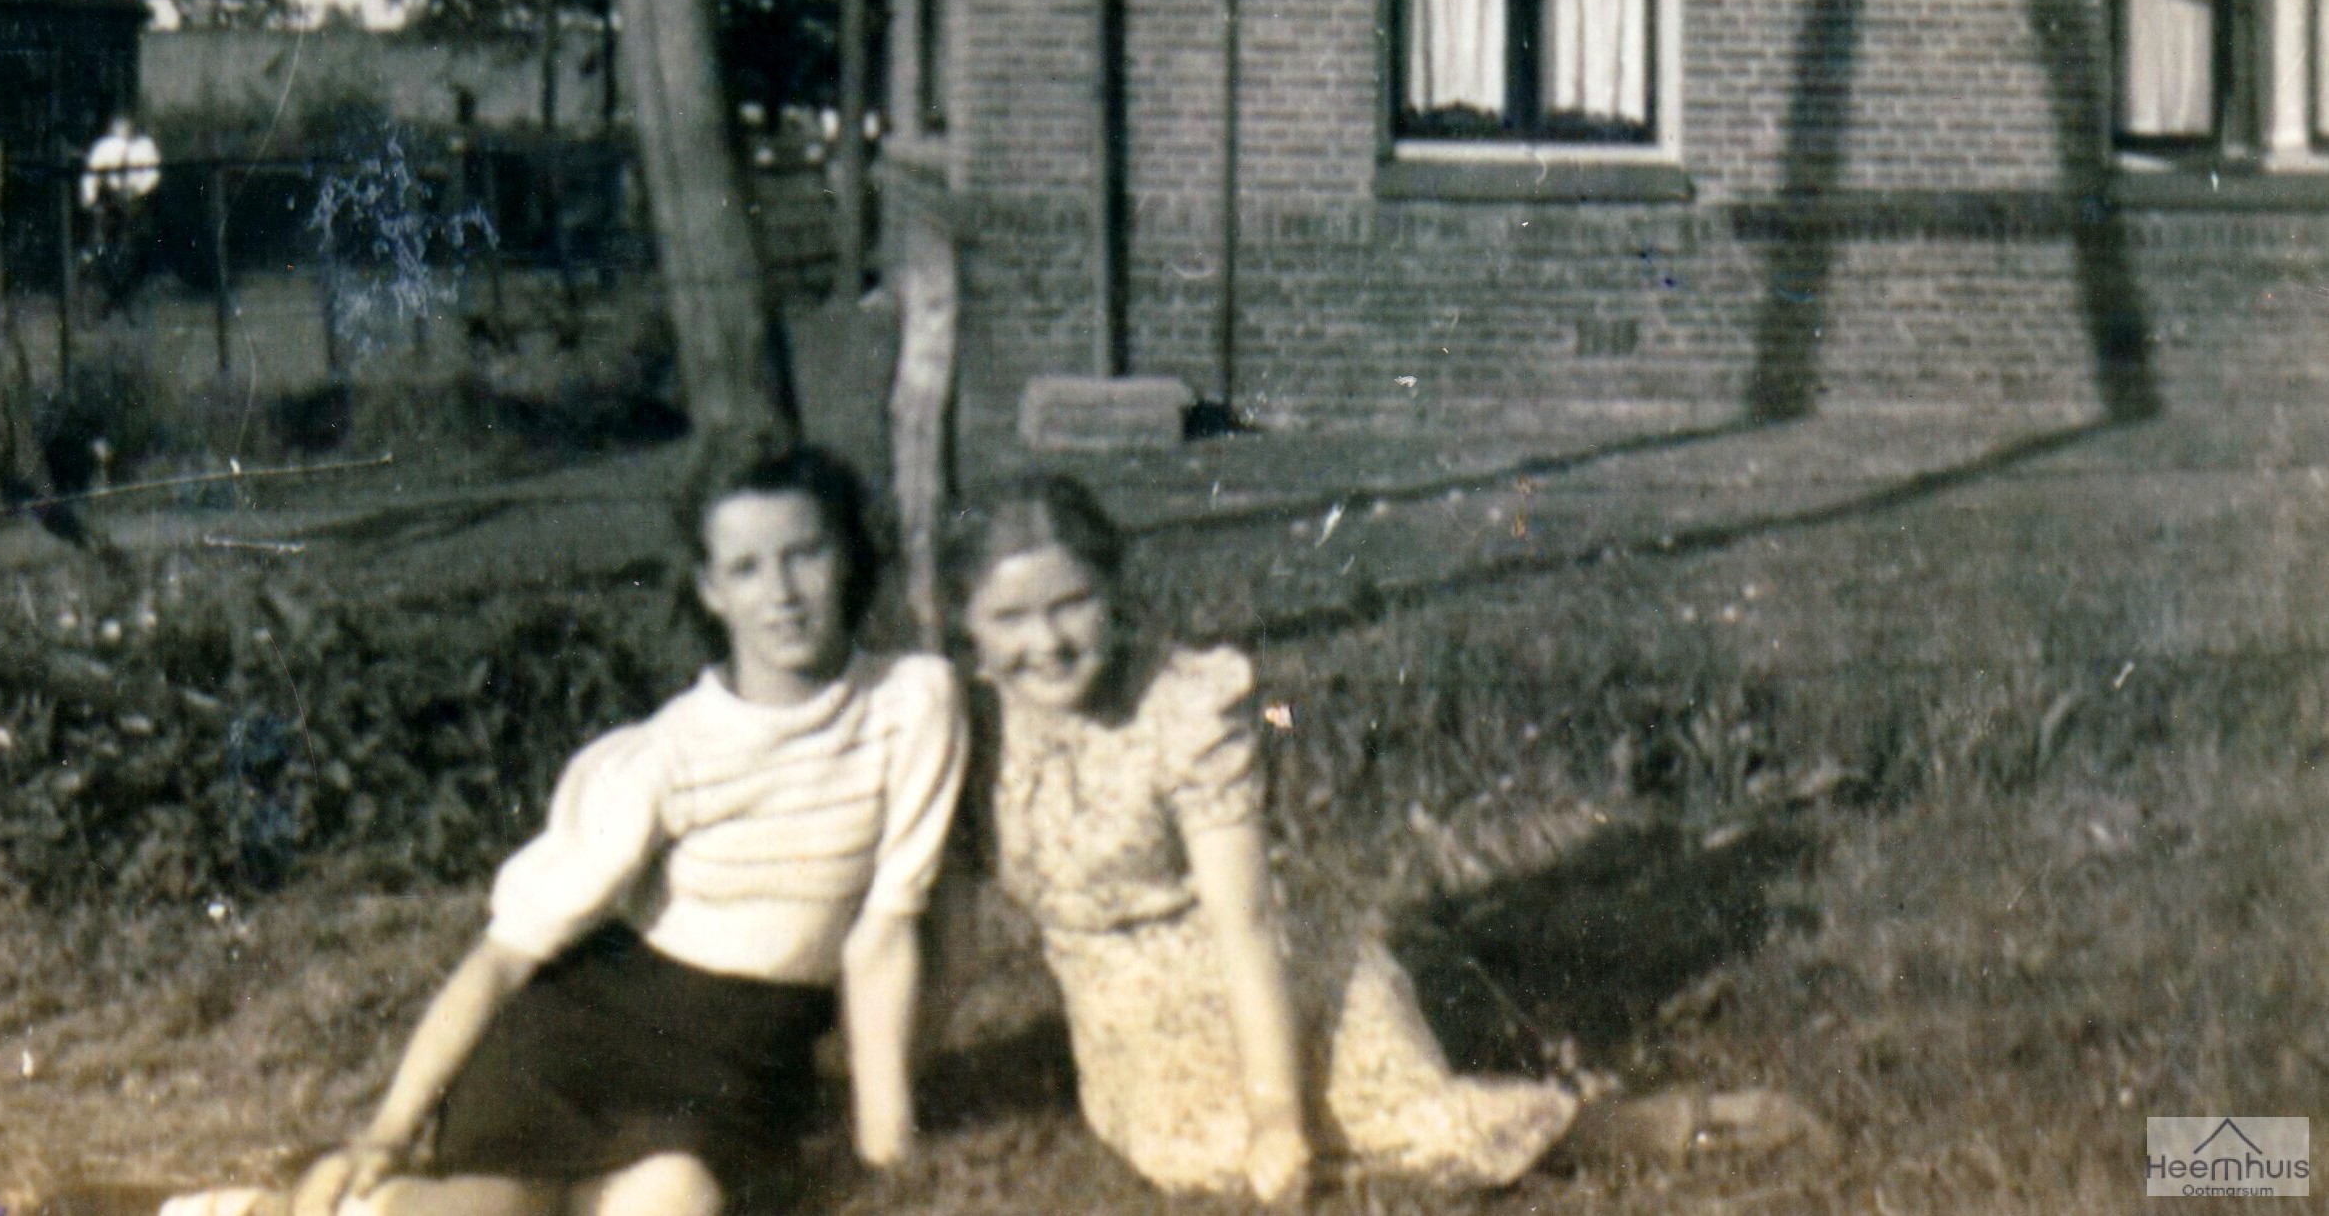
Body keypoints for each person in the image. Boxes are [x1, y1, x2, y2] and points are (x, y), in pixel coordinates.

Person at [156, 447, 966, 1216]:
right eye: (746, 568)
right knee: (495, 1212)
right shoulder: (668, 755)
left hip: (734, 1071)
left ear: (848, 556)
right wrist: (390, 1130)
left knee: (678, 1202)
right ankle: (280, 1207)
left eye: (805, 554)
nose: (781, 592)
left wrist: (886, 1149)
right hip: (574, 1045)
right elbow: (505, 955)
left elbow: (886, 931)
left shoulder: (912, 703)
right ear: (711, 590)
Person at [950, 475, 1580, 1205]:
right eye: (1010, 617)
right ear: (968, 621)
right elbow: (926, 925)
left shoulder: (1181, 705)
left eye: (1071, 603)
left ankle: (1595, 1130)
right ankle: (1538, 1137)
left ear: (1113, 594)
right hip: (1128, 1008)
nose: (1047, 643)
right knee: (1205, 1152)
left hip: (1265, 964)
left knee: (1367, 1108)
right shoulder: (966, 729)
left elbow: (1243, 919)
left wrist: (1274, 1114)